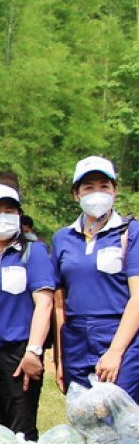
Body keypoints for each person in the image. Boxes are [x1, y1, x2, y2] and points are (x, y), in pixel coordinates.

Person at [52, 156, 139, 400]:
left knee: (119, 415)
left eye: (104, 186)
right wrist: (60, 358)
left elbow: (138, 298)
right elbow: (59, 302)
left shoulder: (130, 233)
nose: (97, 193)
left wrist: (116, 351)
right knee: (83, 417)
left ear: (115, 191)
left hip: (118, 333)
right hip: (76, 339)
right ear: (76, 194)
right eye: (88, 187)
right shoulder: (62, 238)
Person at [0, 185, 55, 440]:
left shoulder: (32, 252)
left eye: (9, 210)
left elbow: (45, 303)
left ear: (19, 215)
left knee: (22, 430)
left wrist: (34, 351)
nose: (3, 216)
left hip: (18, 354)